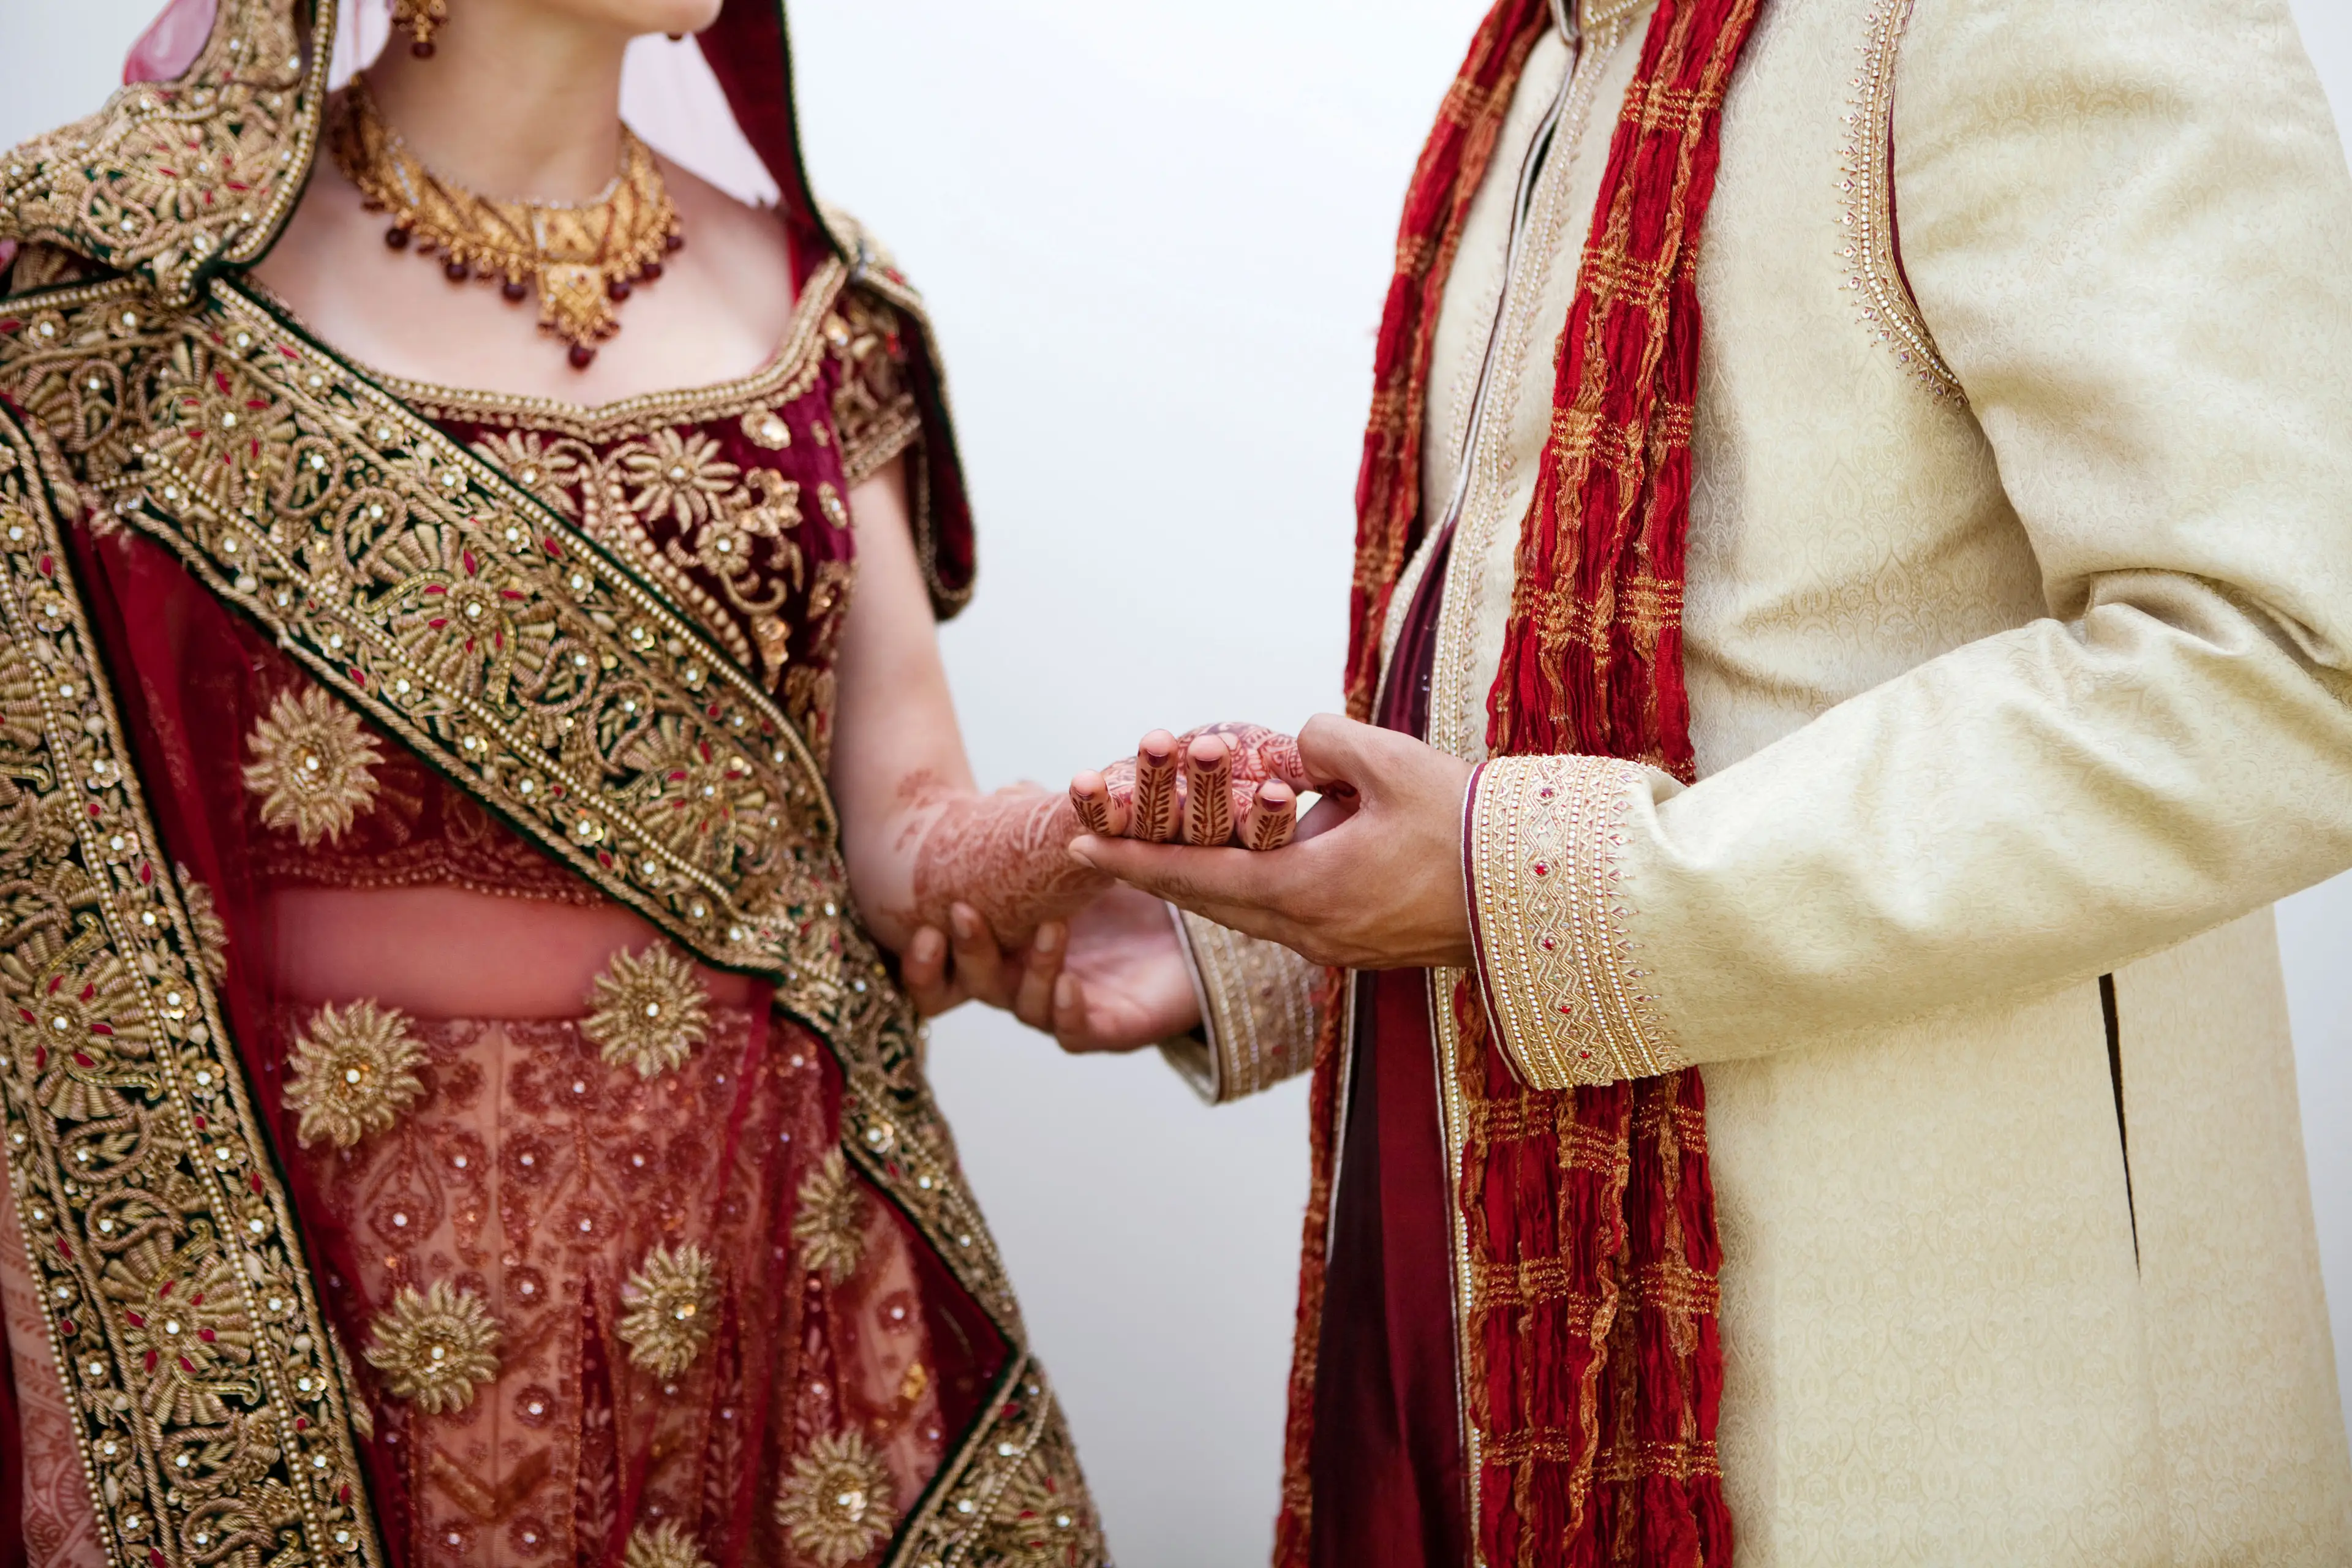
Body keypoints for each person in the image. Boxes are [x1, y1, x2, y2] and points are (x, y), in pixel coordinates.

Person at [939, 0, 2352, 1561]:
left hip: (1936, 1421)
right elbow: (1568, 697)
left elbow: (2289, 659)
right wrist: (1258, 941)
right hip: (1488, 1351)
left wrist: (1530, 884)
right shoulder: (1553, 51)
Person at [0, 0, 1180, 1562]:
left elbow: (901, 839)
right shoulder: (115, 294)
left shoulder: (819, 311)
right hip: (294, 1310)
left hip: (744, 1279)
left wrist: (1087, 830)